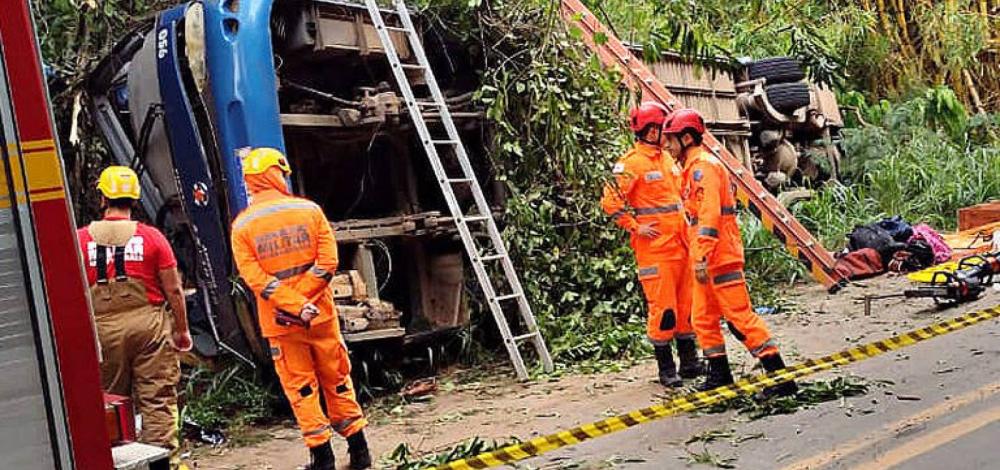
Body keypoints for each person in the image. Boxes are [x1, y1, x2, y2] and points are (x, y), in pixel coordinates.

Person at [230, 147, 372, 470]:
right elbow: (328, 263)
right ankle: (359, 451)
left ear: (251, 181)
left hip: (281, 323)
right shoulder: (310, 211)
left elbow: (255, 279)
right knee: (338, 380)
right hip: (320, 316)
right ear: (276, 174)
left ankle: (323, 460)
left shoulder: (242, 226)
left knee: (302, 388)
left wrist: (293, 306)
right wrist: (306, 301)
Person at [662, 108, 797, 396]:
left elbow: (709, 217)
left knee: (739, 318)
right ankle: (720, 374)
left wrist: (701, 255)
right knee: (702, 318)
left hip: (719, 257)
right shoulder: (692, 168)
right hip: (707, 258)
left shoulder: (704, 168)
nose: (667, 145)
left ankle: (780, 377)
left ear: (686, 138)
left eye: (671, 139)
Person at [76, 166, 192, 468]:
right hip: (149, 328)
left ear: (103, 198)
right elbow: (174, 290)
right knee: (157, 399)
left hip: (101, 332)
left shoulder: (79, 239)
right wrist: (182, 330)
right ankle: (162, 462)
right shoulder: (152, 238)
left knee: (110, 403)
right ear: (135, 199)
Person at [601, 102, 704, 387]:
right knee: (664, 310)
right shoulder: (632, 163)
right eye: (663, 129)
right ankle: (666, 369)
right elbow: (610, 201)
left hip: (680, 246)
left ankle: (690, 363)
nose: (668, 135)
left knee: (686, 307)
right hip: (655, 251)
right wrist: (635, 226)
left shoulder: (667, 159)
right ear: (650, 130)